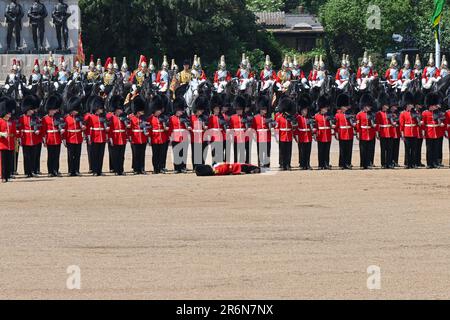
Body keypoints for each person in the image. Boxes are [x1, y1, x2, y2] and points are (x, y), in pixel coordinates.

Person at [18, 94, 41, 177]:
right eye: (31, 110)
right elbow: (20, 129)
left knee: (33, 156)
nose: (33, 111)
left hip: (34, 139)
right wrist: (20, 138)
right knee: (26, 157)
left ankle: (32, 171)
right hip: (25, 139)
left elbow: (39, 127)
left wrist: (38, 131)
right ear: (27, 109)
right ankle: (27, 172)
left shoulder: (35, 118)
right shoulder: (21, 118)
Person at [41, 94, 63, 177]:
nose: (55, 111)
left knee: (57, 156)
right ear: (49, 110)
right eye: (53, 110)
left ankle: (56, 170)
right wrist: (44, 141)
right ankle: (50, 171)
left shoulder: (57, 118)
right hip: (49, 139)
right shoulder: (45, 118)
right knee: (50, 156)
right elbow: (43, 131)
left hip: (57, 138)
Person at [85, 96, 108, 176]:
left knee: (100, 155)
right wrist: (89, 137)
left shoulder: (103, 117)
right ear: (96, 108)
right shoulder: (90, 117)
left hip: (102, 138)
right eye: (100, 109)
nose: (102, 110)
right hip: (94, 138)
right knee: (94, 155)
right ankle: (94, 170)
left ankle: (99, 170)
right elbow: (88, 128)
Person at [107, 96, 128, 176]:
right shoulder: (111, 117)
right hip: (115, 138)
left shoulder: (123, 118)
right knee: (115, 156)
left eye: (121, 109)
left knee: (121, 156)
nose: (121, 111)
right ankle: (116, 169)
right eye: (119, 109)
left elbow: (125, 129)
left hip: (122, 138)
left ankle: (121, 170)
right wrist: (110, 138)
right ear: (115, 110)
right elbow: (109, 129)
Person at [63, 96, 84, 176]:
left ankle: (77, 170)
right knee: (70, 156)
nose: (76, 112)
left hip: (78, 139)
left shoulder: (79, 118)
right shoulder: (66, 118)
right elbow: (65, 129)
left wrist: (83, 128)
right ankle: (70, 171)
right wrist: (64, 139)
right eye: (75, 110)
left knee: (77, 156)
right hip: (70, 139)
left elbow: (82, 128)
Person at [148, 95, 169, 174]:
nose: (160, 111)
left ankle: (161, 167)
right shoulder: (150, 118)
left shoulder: (163, 118)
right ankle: (155, 168)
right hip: (155, 138)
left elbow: (167, 129)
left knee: (162, 154)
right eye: (158, 110)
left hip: (163, 138)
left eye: (160, 110)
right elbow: (149, 129)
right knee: (155, 154)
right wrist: (149, 139)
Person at [422, 93, 444, 169]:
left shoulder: (439, 113)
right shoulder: (425, 113)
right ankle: (429, 163)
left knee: (435, 149)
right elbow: (423, 124)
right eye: (434, 105)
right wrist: (424, 133)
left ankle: (435, 163)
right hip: (429, 133)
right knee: (429, 149)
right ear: (430, 105)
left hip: (437, 133)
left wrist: (441, 124)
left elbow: (442, 120)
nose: (435, 106)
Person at [128, 96, 149, 175]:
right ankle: (136, 169)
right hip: (135, 138)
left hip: (143, 138)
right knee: (136, 154)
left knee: (142, 154)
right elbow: (129, 129)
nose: (142, 112)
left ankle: (142, 168)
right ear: (137, 111)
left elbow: (147, 127)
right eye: (141, 111)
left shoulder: (143, 118)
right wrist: (130, 137)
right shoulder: (131, 118)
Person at [168, 97, 190, 173]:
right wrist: (170, 138)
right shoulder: (171, 118)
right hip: (175, 138)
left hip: (184, 138)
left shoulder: (185, 118)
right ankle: (177, 168)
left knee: (184, 153)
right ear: (176, 110)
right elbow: (170, 129)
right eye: (180, 110)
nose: (182, 112)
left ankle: (183, 167)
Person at [399, 92, 420, 169]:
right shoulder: (403, 113)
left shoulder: (415, 113)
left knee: (414, 149)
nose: (411, 106)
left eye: (411, 105)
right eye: (409, 105)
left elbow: (418, 124)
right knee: (407, 149)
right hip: (407, 133)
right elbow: (401, 125)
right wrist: (402, 134)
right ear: (406, 106)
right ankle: (408, 163)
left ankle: (413, 163)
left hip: (414, 133)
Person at [356, 94, 377, 169]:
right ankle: (363, 164)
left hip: (371, 133)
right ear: (364, 106)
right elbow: (358, 126)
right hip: (363, 133)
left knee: (370, 150)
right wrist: (358, 133)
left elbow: (374, 124)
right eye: (369, 106)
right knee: (363, 150)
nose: (370, 108)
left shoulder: (371, 114)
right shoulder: (359, 114)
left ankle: (369, 163)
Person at [334, 93, 355, 169]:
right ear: (341, 107)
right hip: (342, 134)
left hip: (349, 133)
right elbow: (336, 126)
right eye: (345, 106)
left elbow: (353, 124)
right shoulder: (337, 115)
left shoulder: (349, 114)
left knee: (349, 149)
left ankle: (348, 163)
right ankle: (342, 164)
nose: (346, 108)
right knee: (342, 150)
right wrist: (336, 133)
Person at [0, 97, 18, 183]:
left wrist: (17, 138)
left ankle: (8, 176)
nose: (10, 114)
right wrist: (1, 134)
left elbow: (14, 132)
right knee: (3, 162)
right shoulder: (0, 121)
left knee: (9, 161)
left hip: (10, 144)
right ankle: (3, 177)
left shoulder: (12, 122)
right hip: (3, 144)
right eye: (8, 113)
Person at [251, 95, 272, 168]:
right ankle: (260, 164)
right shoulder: (255, 118)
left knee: (267, 151)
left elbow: (272, 127)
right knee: (260, 151)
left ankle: (267, 164)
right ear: (260, 109)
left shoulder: (268, 118)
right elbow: (253, 128)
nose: (265, 111)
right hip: (259, 136)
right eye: (263, 109)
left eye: (265, 109)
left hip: (267, 136)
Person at [276, 97, 297, 171]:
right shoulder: (279, 117)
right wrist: (276, 137)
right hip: (282, 136)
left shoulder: (291, 118)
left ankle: (288, 164)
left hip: (289, 136)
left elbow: (294, 128)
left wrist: (292, 123)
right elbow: (276, 128)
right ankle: (282, 164)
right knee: (282, 151)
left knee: (288, 151)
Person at [294, 94, 314, 170]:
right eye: (304, 110)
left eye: (306, 110)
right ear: (301, 110)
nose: (305, 111)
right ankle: (302, 164)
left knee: (308, 151)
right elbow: (296, 128)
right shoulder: (298, 117)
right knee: (302, 151)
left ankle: (307, 164)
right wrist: (296, 136)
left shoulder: (309, 118)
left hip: (308, 137)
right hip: (301, 137)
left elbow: (312, 128)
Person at [190, 95, 209, 169]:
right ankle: (195, 166)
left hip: (203, 138)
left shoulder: (204, 118)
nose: (201, 112)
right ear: (196, 110)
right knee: (195, 153)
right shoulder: (191, 118)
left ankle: (202, 165)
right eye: (200, 110)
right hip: (194, 138)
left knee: (203, 153)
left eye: (202, 110)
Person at [376, 92, 394, 169]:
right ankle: (383, 163)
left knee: (390, 149)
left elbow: (392, 123)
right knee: (383, 149)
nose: (387, 106)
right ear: (383, 106)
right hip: (383, 133)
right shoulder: (378, 113)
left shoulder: (390, 113)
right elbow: (378, 124)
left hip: (390, 133)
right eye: (386, 105)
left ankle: (389, 163)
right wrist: (377, 133)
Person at [314, 96, 333, 170]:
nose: (326, 109)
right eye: (325, 108)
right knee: (321, 151)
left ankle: (326, 164)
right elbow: (315, 126)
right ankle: (320, 164)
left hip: (327, 135)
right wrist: (315, 134)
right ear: (321, 108)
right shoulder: (316, 116)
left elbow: (331, 125)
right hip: (320, 135)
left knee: (327, 151)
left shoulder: (328, 116)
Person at [206, 95, 225, 165]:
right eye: (216, 109)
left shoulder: (221, 117)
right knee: (213, 152)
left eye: (218, 108)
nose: (218, 110)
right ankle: (214, 164)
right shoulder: (211, 117)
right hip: (213, 138)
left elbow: (223, 127)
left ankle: (221, 165)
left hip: (220, 137)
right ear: (213, 109)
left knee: (220, 152)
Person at [229, 96, 248, 164]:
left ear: (242, 109)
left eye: (240, 109)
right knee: (236, 152)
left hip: (243, 137)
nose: (238, 111)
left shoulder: (245, 117)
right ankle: (235, 164)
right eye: (237, 110)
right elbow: (231, 128)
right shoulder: (232, 117)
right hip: (235, 137)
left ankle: (242, 164)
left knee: (242, 151)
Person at [195, 163, 261, 176]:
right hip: (237, 167)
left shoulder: (216, 172)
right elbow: (227, 168)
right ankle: (256, 169)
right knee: (248, 166)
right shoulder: (216, 170)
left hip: (236, 168)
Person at [389, 96, 401, 167]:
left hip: (397, 133)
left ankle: (395, 161)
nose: (396, 108)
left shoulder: (398, 113)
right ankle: (390, 161)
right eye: (394, 106)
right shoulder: (388, 113)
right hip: (391, 133)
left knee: (396, 148)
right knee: (391, 148)